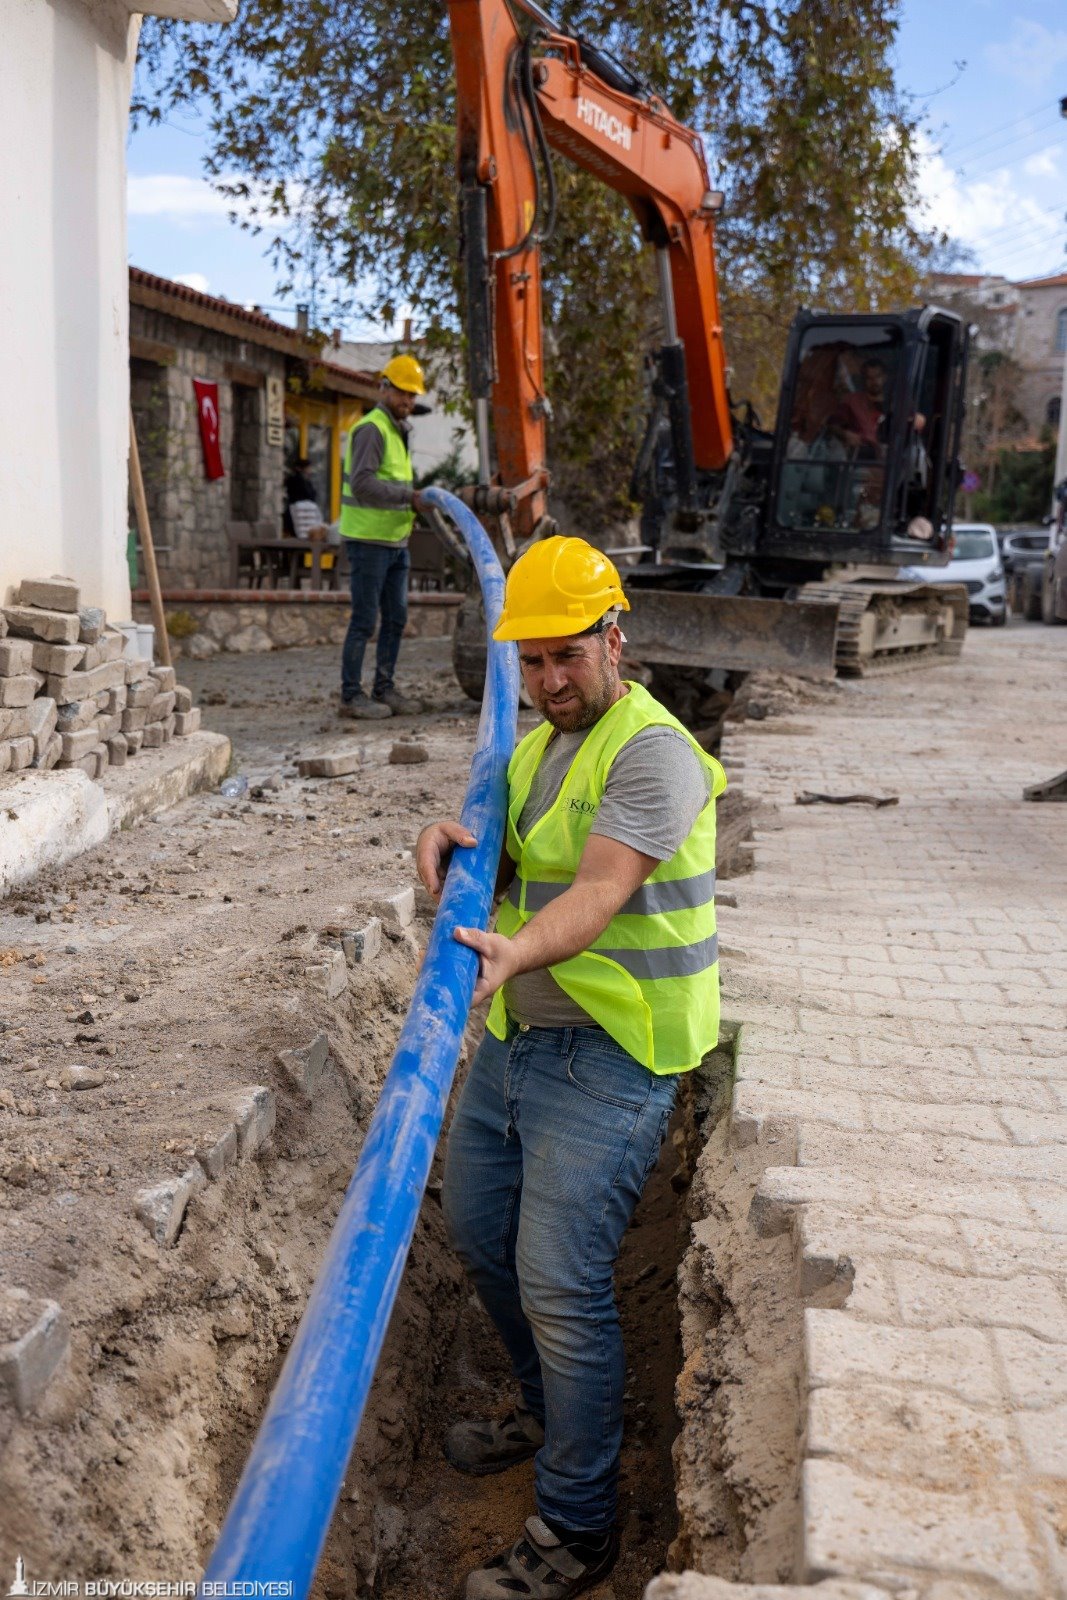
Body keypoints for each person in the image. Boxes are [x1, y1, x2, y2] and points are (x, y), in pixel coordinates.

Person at [416, 537, 727, 1600]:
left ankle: (579, 1523)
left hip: (614, 1049)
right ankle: (547, 1407)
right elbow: (512, 853)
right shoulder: (537, 747)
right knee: (479, 1234)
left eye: (568, 657)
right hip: (520, 1041)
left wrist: (506, 951)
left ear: (613, 639)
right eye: (533, 662)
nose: (550, 681)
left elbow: (596, 890)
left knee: (559, 1278)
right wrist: (452, 847)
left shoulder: (653, 751)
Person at [337, 353, 431, 718]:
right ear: (385, 388)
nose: (408, 401)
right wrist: (411, 498)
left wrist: (410, 507)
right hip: (368, 541)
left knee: (395, 619)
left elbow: (392, 483)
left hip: (395, 541)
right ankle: (350, 696)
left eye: (412, 395)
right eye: (402, 393)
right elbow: (363, 484)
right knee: (364, 620)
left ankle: (384, 688)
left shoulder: (397, 431)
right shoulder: (372, 429)